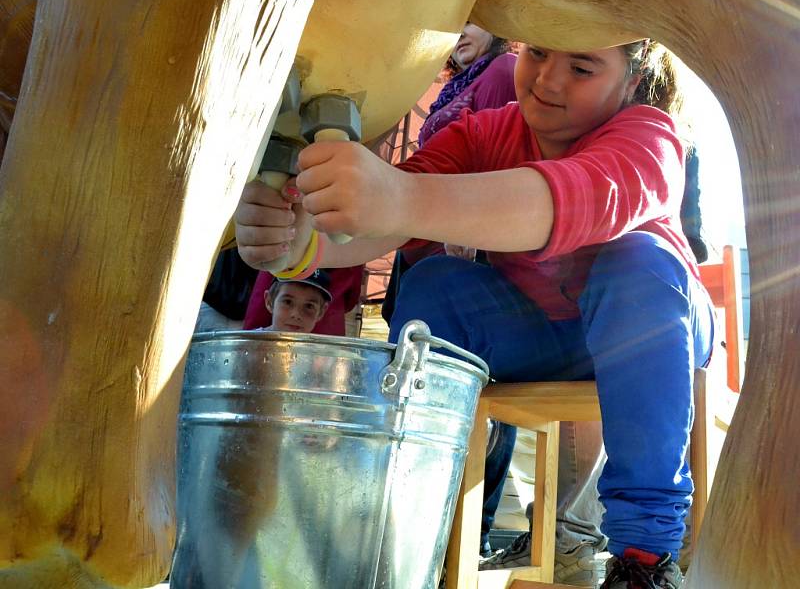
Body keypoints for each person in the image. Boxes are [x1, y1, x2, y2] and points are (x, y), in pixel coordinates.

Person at [235, 38, 714, 589]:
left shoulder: (649, 133)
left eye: (582, 67)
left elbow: (572, 199)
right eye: (537, 53)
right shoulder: (483, 132)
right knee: (435, 285)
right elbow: (379, 220)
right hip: (544, 335)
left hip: (656, 336)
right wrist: (297, 243)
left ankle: (643, 558)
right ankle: (411, 530)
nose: (547, 81)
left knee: (638, 260)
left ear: (631, 82)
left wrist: (401, 196)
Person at [380, 22, 519, 562]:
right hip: (421, 252)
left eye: (475, 21)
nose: (461, 32)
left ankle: (471, 531)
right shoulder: (452, 86)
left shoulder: (505, 71)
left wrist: (469, 230)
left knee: (480, 391)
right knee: (419, 381)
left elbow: (502, 157)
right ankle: (415, 529)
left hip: (465, 250)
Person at [254, 269, 332, 333]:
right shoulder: (249, 344)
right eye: (288, 302)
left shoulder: (320, 350)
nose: (296, 315)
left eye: (309, 306)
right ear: (269, 302)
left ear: (321, 312)